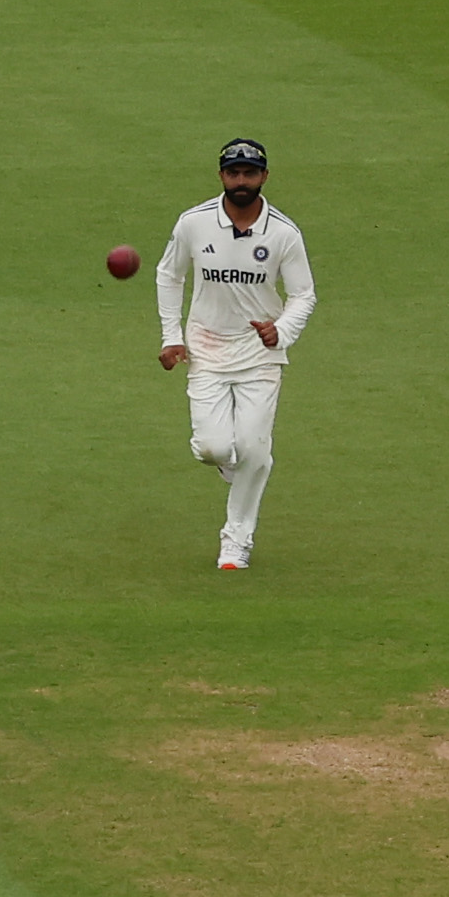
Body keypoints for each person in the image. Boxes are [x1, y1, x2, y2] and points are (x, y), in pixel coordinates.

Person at [154, 140, 317, 573]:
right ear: (221, 176)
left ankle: (236, 542)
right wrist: (171, 336)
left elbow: (303, 294)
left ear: (264, 176)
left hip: (258, 354)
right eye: (233, 173)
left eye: (249, 173)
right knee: (212, 448)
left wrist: (279, 331)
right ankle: (230, 461)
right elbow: (169, 276)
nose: (240, 181)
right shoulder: (194, 223)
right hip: (206, 347)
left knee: (254, 451)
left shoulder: (283, 232)